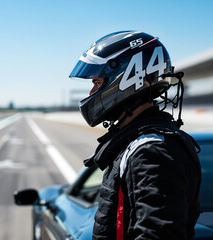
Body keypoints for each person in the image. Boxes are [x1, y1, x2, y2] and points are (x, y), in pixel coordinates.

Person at [69, 31, 201, 240]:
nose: (90, 94)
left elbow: (159, 234)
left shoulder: (152, 151)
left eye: (96, 83)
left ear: (129, 77)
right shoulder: (137, 142)